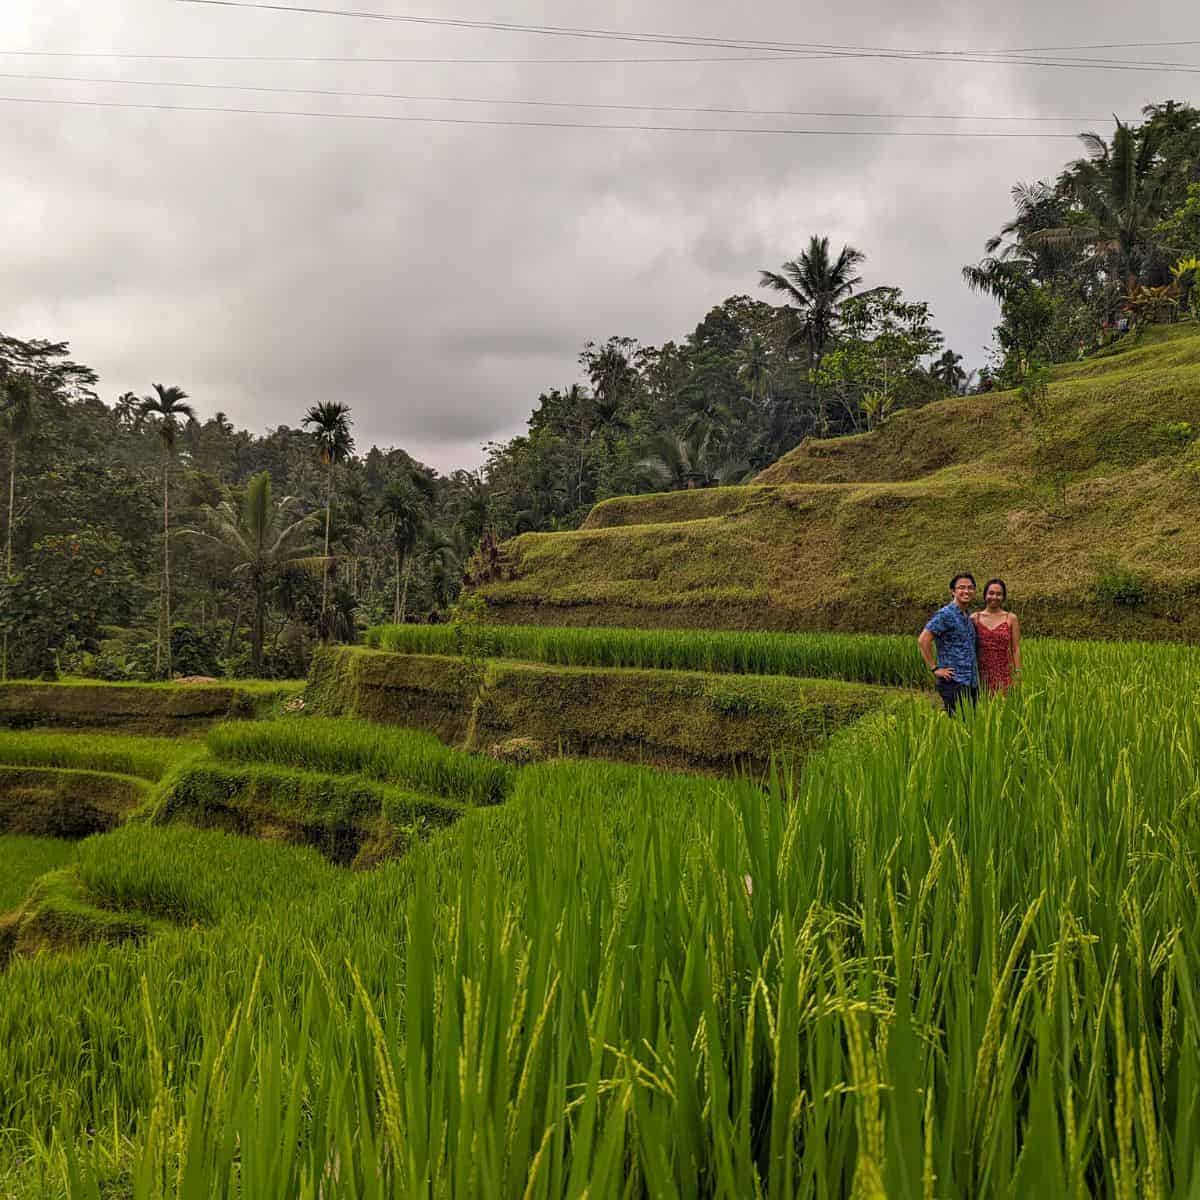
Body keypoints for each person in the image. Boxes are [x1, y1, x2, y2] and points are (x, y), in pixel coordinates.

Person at [917, 573, 979, 714]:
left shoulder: (966, 616)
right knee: (959, 728)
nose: (966, 591)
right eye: (961, 587)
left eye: (970, 588)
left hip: (970, 681)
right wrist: (935, 668)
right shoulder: (945, 614)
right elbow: (923, 640)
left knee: (971, 726)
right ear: (953, 591)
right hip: (954, 682)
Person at [972, 578, 1021, 693]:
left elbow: (1016, 649)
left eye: (999, 594)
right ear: (985, 595)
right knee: (982, 707)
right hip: (980, 673)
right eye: (991, 593)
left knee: (1004, 707)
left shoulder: (1011, 618)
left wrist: (1018, 672)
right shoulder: (974, 618)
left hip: (1004, 673)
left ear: (1003, 597)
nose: (994, 597)